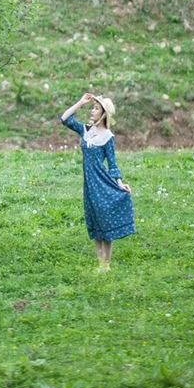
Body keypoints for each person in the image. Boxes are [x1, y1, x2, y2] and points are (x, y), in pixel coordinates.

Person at [59, 90, 135, 271]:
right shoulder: (85, 130)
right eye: (92, 108)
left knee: (105, 220)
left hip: (102, 183)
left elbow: (113, 163)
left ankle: (106, 264)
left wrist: (119, 183)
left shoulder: (108, 137)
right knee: (94, 220)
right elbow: (64, 118)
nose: (92, 111)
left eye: (95, 108)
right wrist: (80, 102)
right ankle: (100, 263)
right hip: (89, 185)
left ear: (103, 114)